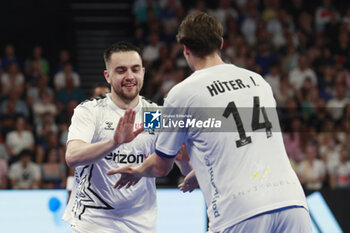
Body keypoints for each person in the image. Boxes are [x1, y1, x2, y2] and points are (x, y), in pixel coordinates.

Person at [108, 12, 312, 233]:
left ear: (186, 49)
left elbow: (161, 165)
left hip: (240, 209)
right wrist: (201, 170)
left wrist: (137, 171)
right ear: (221, 43)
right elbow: (252, 143)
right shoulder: (258, 81)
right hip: (293, 202)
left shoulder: (183, 93)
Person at [62, 41, 191, 233]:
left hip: (141, 222)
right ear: (108, 76)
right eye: (121, 70)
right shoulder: (91, 111)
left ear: (143, 73)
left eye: (135, 69)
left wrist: (185, 159)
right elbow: (72, 157)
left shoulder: (154, 115)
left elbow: (185, 169)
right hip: (95, 219)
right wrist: (114, 142)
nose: (129, 76)